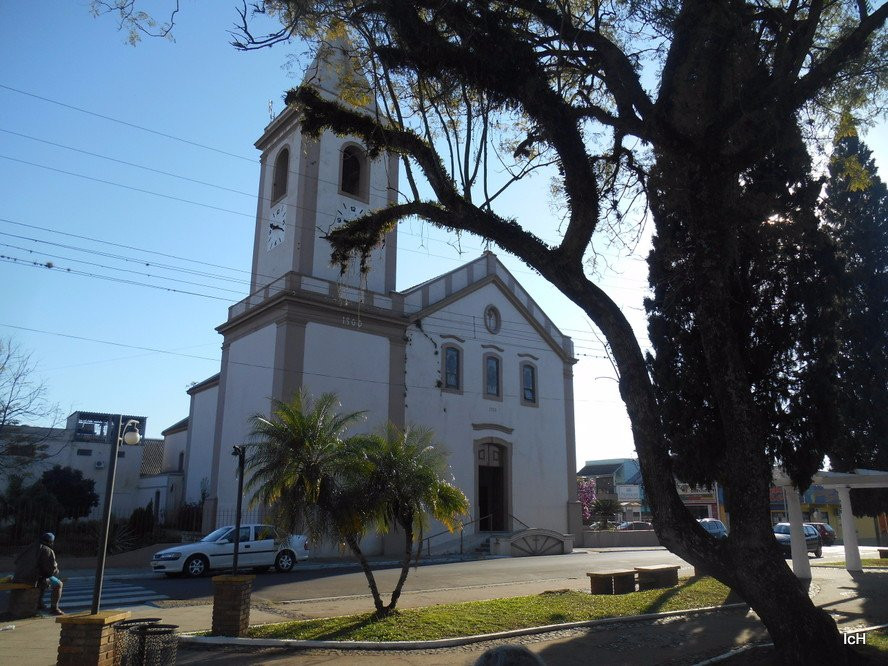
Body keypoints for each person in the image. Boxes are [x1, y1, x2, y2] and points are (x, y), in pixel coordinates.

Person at [13, 532, 64, 615]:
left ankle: (39, 603)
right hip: (31, 579)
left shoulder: (29, 547)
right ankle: (54, 608)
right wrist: (56, 571)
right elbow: (51, 570)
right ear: (50, 542)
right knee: (58, 584)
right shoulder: (47, 550)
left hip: (18, 576)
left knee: (44, 579)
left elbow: (16, 561)